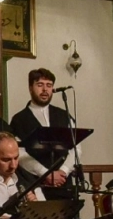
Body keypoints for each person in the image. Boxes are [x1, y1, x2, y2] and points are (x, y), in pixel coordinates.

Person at [9, 67, 77, 198]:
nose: (45, 89)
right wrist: (45, 173)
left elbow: (76, 148)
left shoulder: (64, 115)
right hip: (35, 183)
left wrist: (63, 171)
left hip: (64, 182)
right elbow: (20, 153)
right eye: (40, 85)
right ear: (30, 88)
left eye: (49, 85)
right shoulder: (19, 120)